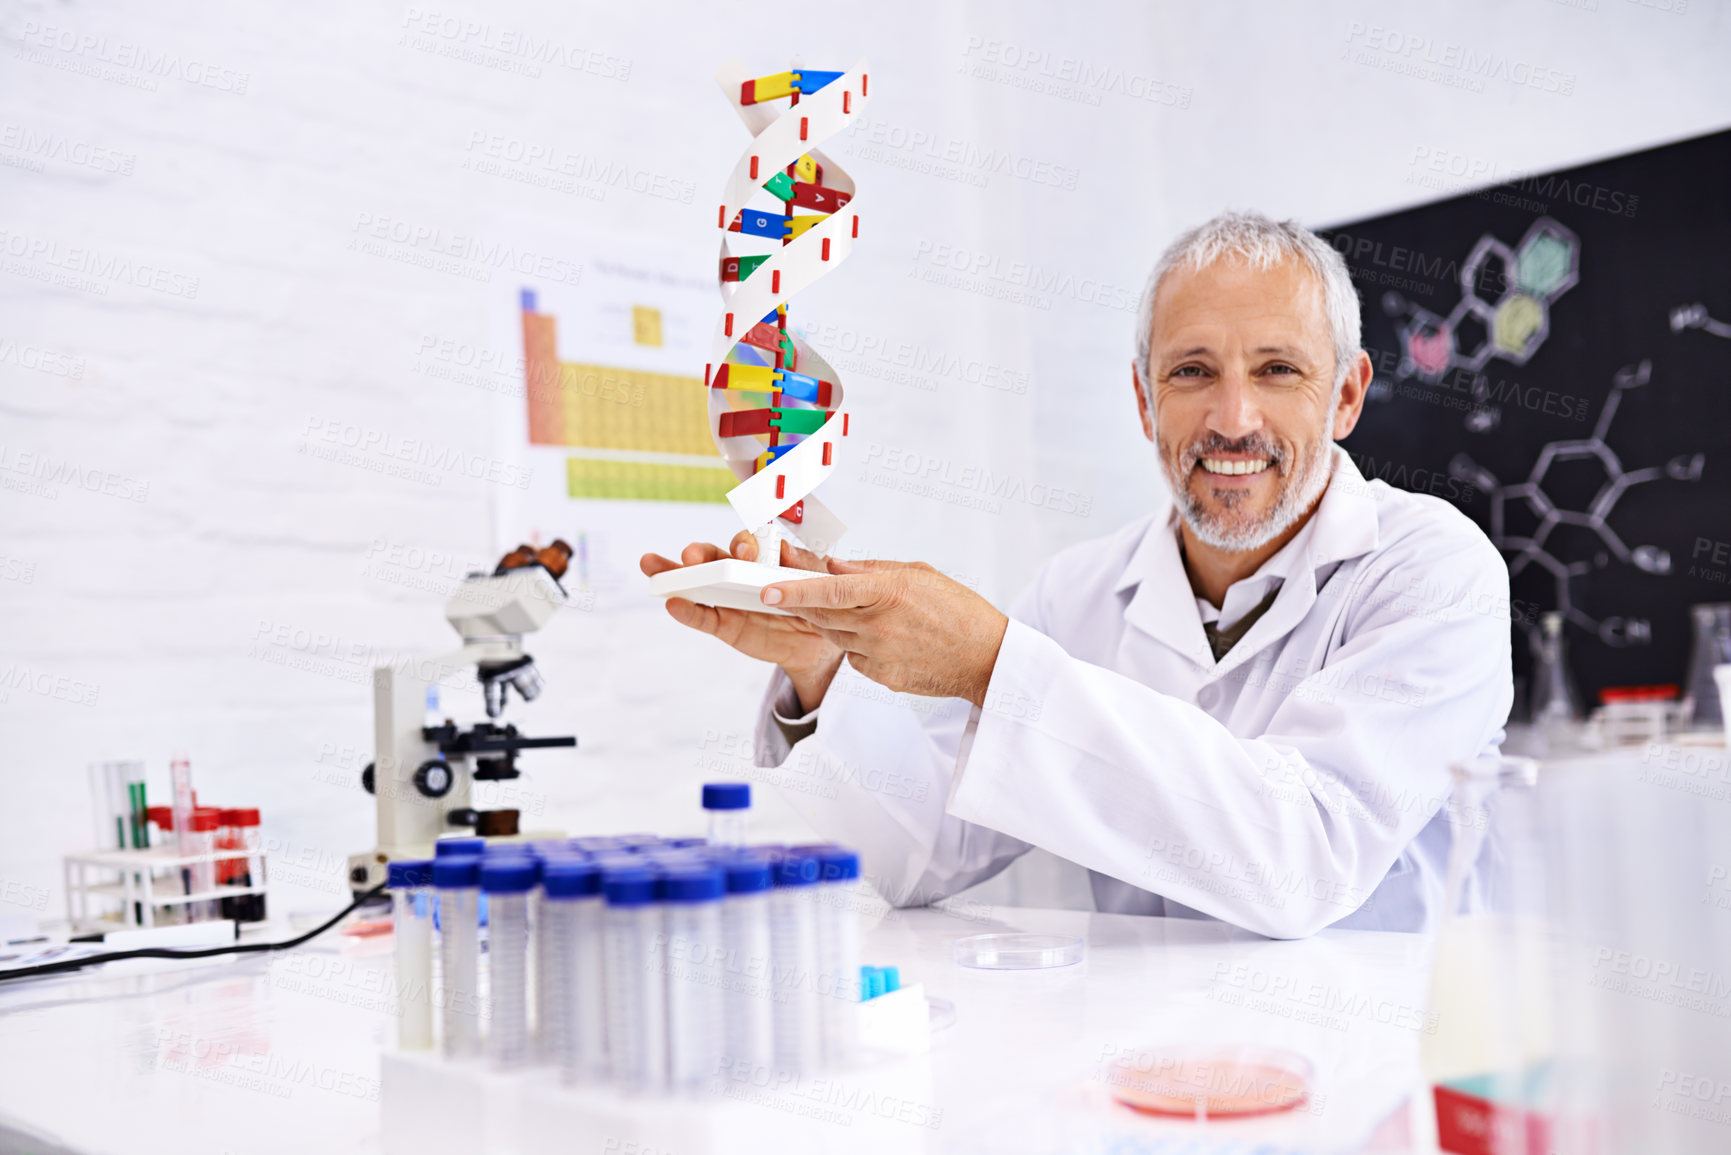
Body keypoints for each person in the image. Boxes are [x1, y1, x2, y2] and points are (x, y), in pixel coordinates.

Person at [641, 211, 1513, 938]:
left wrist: (991, 662)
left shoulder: (1433, 572)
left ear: (1347, 396)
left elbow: (1303, 858)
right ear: (1143, 400)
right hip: (1152, 1070)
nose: (1232, 416)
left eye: (1277, 370)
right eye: (1191, 372)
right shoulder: (1078, 592)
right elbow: (925, 854)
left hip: (1383, 1071)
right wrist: (818, 669)